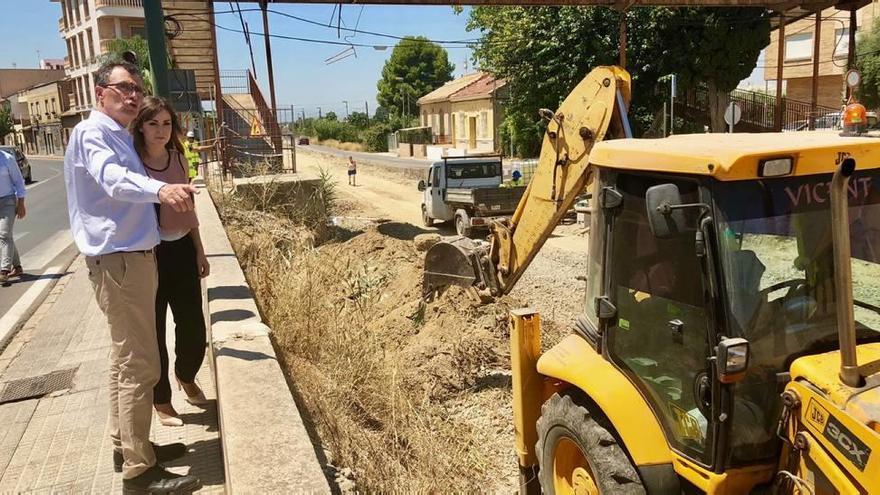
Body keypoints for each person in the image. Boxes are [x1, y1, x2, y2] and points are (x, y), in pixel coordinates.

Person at [64, 61, 201, 494]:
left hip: (132, 257)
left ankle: (128, 445)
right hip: (120, 260)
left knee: (124, 360)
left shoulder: (117, 135)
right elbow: (113, 181)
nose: (133, 96)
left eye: (136, 89)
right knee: (140, 363)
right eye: (124, 88)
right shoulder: (92, 134)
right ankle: (139, 471)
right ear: (100, 92)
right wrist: (160, 190)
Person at [131, 97, 210, 428]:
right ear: (141, 127)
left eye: (166, 123)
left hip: (181, 252)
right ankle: (161, 401)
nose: (160, 130)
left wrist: (199, 250)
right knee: (155, 333)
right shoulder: (133, 163)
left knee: (193, 327)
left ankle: (185, 374)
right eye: (153, 123)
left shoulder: (178, 158)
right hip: (149, 255)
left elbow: (188, 209)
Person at [0, 148, 26, 284]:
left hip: (7, 201)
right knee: (7, 236)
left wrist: (21, 203)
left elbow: (19, 182)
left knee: (4, 234)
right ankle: (17, 267)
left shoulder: (7, 159)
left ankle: (4, 270)